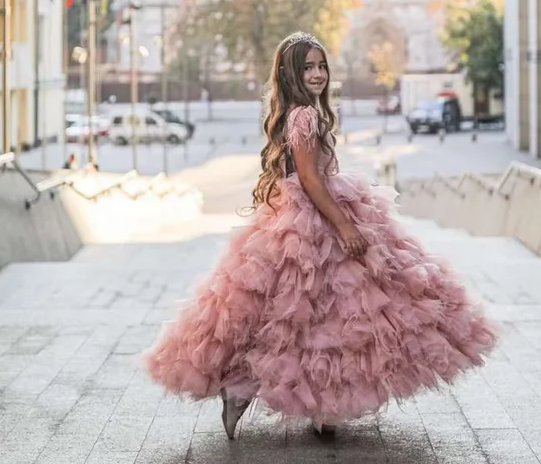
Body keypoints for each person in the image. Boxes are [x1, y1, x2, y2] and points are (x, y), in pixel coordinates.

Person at [143, 32, 497, 440]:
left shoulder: (298, 112)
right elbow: (310, 178)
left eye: (321, 66)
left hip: (300, 213)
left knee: (307, 315)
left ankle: (277, 397)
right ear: (291, 74)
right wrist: (345, 225)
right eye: (308, 67)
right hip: (313, 216)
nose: (317, 74)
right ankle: (286, 399)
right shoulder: (305, 116)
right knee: (327, 311)